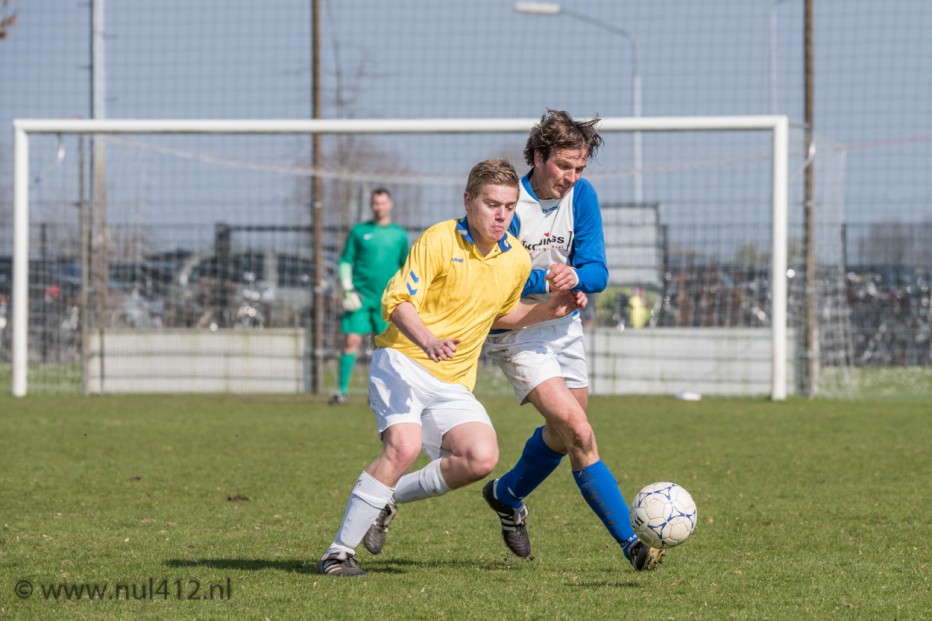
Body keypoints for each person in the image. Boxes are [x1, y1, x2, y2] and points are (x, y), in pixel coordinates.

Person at [317, 159, 587, 577]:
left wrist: (552, 310)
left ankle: (386, 498)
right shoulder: (439, 240)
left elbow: (503, 314)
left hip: (453, 379)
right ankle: (337, 554)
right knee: (403, 446)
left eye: (510, 207)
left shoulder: (514, 258)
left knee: (480, 458)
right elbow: (397, 302)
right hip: (402, 360)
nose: (501, 215)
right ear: (469, 200)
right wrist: (427, 339)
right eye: (491, 204)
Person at [480, 110, 664, 571]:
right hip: (518, 329)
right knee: (580, 432)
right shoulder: (509, 202)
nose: (571, 178)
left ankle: (506, 494)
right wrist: (545, 276)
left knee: (563, 438)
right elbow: (492, 279)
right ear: (538, 157)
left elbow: (598, 269)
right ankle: (633, 545)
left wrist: (578, 272)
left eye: (579, 169)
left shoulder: (582, 196)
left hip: (564, 326)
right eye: (564, 166)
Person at [330, 188, 409, 405]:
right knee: (351, 340)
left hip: (387, 300)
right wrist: (347, 289)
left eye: (382, 203)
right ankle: (341, 391)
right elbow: (346, 260)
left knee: (385, 348)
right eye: (375, 203)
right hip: (361, 298)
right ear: (371, 205)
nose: (379, 207)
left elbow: (406, 268)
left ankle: (378, 391)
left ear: (390, 205)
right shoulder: (359, 231)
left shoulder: (399, 235)